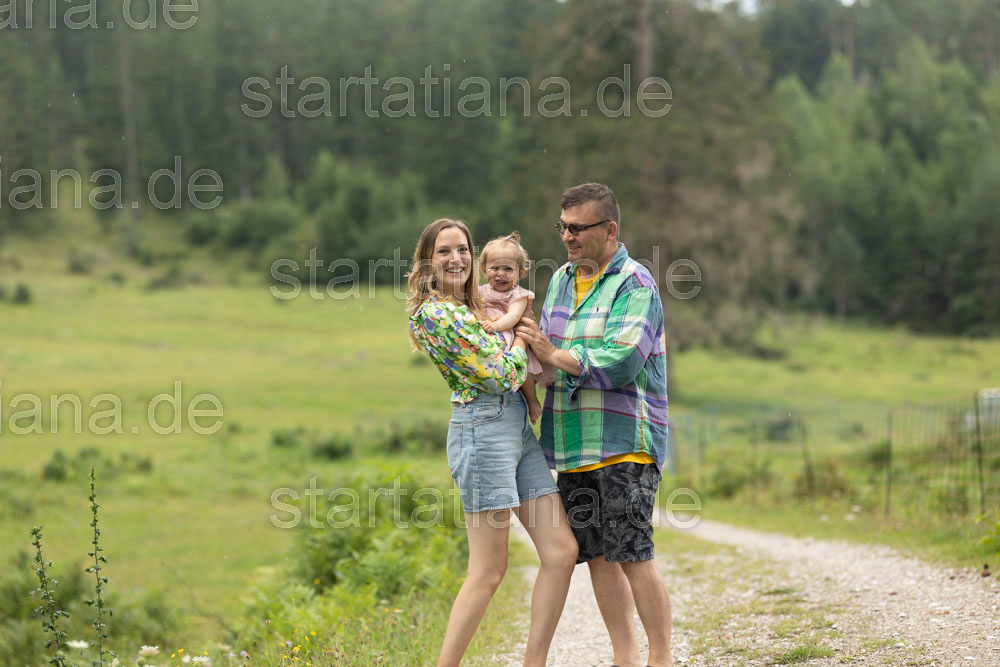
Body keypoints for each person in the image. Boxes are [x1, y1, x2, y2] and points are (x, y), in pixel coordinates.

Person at [406, 218, 578, 667]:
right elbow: (501, 373)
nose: (457, 258)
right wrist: (523, 339)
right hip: (482, 430)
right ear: (428, 262)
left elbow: (507, 367)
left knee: (561, 551)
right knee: (488, 570)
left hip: (516, 424)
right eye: (444, 251)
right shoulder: (437, 314)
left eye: (463, 249)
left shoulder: (477, 307)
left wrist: (515, 338)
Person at [515, 183, 674, 667]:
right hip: (572, 443)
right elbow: (545, 357)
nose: (567, 236)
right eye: (562, 226)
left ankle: (661, 657)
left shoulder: (635, 283)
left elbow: (622, 360)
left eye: (578, 228)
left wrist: (552, 354)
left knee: (633, 552)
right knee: (599, 556)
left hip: (625, 442)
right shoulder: (561, 280)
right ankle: (625, 656)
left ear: (610, 230)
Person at [478, 231, 546, 425]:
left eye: (508, 269)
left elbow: (513, 317)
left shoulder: (519, 295)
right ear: (484, 270)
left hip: (511, 334)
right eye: (495, 268)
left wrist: (495, 325)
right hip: (490, 336)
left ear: (520, 273)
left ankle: (532, 401)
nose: (501, 273)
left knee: (524, 372)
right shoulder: (479, 292)